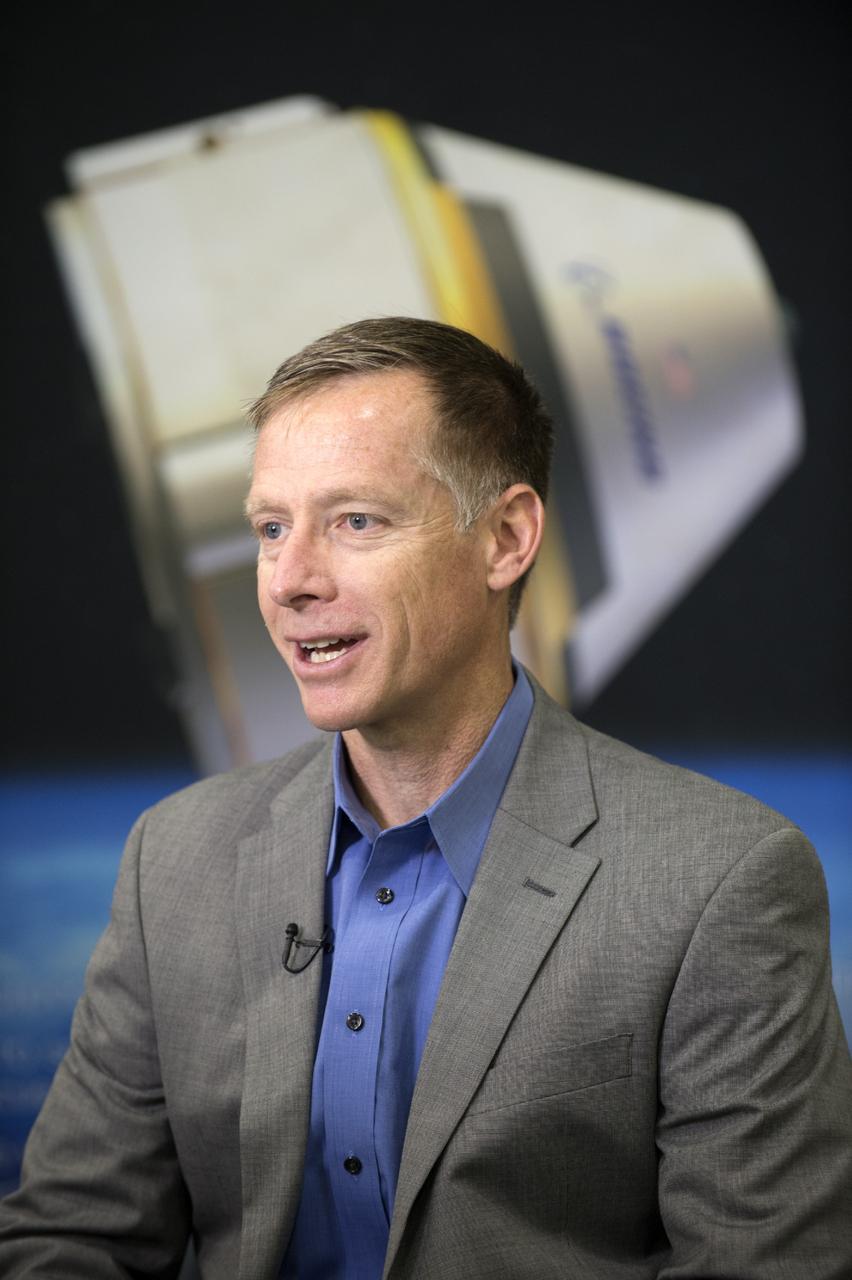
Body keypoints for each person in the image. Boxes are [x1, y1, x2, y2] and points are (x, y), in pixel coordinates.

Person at [1, 317, 850, 1279]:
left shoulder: (718, 881)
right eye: (271, 528)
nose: (289, 581)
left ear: (505, 538)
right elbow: (73, 1239)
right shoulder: (175, 858)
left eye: (355, 521)